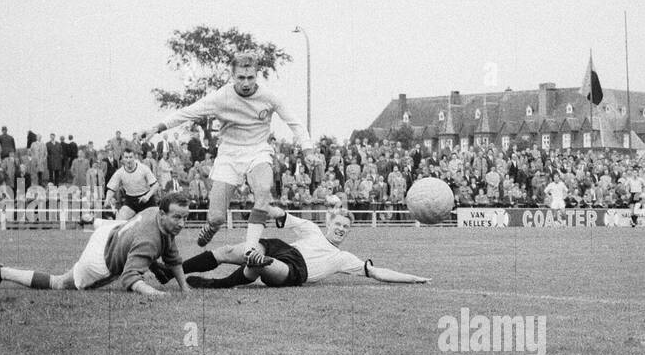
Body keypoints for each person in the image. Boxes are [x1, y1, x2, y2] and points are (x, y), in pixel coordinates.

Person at [137, 54, 311, 268]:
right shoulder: (221, 97)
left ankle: (250, 249)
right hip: (229, 155)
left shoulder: (269, 97)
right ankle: (211, 226)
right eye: (240, 78)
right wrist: (158, 127)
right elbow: (188, 113)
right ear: (232, 76)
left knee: (264, 191)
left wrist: (308, 149)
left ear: (256, 75)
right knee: (217, 218)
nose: (246, 83)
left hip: (258, 150)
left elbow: (295, 123)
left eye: (250, 77)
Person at [0, 192, 192, 296]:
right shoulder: (150, 240)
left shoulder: (156, 213)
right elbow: (129, 279)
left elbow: (173, 257)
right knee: (59, 283)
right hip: (99, 259)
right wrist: (157, 294)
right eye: (177, 218)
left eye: (185, 218)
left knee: (123, 225)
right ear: (163, 214)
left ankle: (92, 220)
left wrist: (185, 288)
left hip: (110, 232)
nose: (182, 224)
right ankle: (1, 272)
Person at [178, 204, 428, 289]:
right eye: (338, 224)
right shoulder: (311, 229)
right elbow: (280, 213)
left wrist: (414, 278)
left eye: (346, 227)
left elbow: (376, 272)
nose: (341, 229)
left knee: (262, 264)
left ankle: (218, 283)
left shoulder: (342, 257)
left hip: (296, 270)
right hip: (280, 247)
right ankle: (171, 270)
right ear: (329, 222)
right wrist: (264, 204)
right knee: (230, 251)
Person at [105, 146, 159, 220]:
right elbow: (111, 189)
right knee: (120, 218)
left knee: (156, 220)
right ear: (123, 159)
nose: (128, 160)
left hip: (146, 200)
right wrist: (107, 200)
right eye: (126, 157)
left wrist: (147, 196)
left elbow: (156, 185)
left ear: (134, 158)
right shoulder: (119, 172)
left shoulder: (144, 168)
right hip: (130, 201)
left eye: (130, 157)